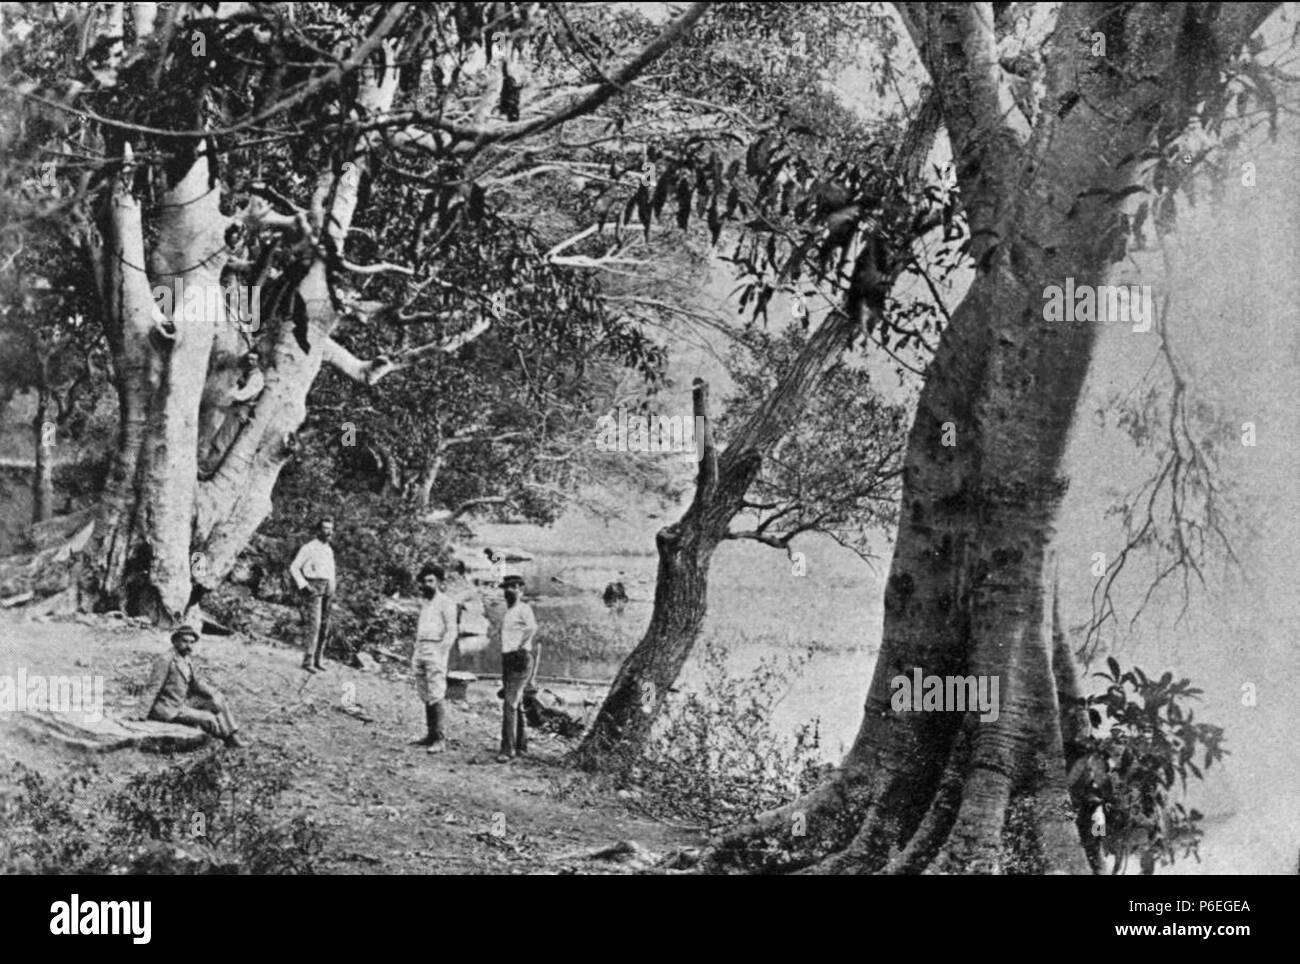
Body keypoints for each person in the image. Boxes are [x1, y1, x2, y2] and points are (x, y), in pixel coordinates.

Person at [145, 625, 246, 748]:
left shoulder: (186, 659)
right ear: (175, 641)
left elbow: (194, 683)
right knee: (209, 718)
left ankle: (233, 735)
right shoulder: (165, 659)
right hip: (168, 709)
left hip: (181, 702)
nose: (189, 646)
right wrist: (140, 713)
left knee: (217, 700)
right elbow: (153, 687)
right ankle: (226, 740)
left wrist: (212, 693)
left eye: (192, 642)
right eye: (185, 641)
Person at [411, 563, 459, 753]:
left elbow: (452, 630)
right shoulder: (425, 603)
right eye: (424, 581)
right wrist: (416, 651)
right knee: (424, 690)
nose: (427, 584)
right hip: (422, 646)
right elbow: (420, 630)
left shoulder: (446, 602)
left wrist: (442, 651)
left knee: (436, 691)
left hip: (436, 647)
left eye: (431, 581)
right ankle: (430, 733)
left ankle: (440, 738)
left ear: (438, 582)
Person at [496, 574, 537, 763]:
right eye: (506, 588)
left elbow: (531, 628)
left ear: (521, 589)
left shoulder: (523, 608)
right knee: (515, 702)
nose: (508, 591)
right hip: (508, 658)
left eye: (512, 587)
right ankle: (521, 744)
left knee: (510, 704)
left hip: (519, 658)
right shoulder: (510, 611)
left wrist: (520, 645)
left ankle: (507, 749)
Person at [289, 517, 336, 673]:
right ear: (318, 530)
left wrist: (332, 587)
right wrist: (305, 585)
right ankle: (307, 661)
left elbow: (331, 572)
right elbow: (294, 568)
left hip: (327, 588)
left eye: (330, 528)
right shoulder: (308, 547)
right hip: (313, 588)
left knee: (324, 626)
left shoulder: (329, 550)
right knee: (314, 626)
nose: (328, 531)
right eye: (325, 528)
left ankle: (318, 660)